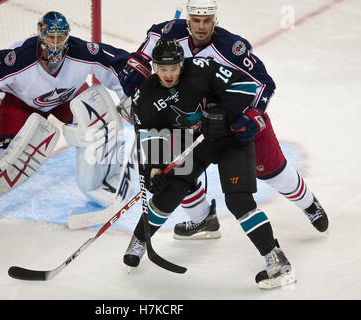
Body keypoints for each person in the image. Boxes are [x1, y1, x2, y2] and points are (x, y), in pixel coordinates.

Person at [118, 0, 328, 239]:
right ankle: (203, 219)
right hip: (192, 121)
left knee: (271, 170)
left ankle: (309, 204)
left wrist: (252, 116)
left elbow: (263, 84)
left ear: (214, 20)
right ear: (188, 20)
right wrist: (137, 67)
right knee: (173, 170)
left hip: (235, 120)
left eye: (206, 21)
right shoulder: (168, 34)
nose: (200, 26)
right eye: (196, 20)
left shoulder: (231, 48)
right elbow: (148, 49)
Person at [124, 38, 295, 289]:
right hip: (192, 143)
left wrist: (223, 112)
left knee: (239, 200)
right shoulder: (147, 96)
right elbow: (151, 134)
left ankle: (276, 259)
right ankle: (140, 240)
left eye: (173, 68)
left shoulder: (202, 68)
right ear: (154, 66)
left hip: (230, 139)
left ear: (182, 64)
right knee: (167, 190)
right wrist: (154, 169)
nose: (168, 74)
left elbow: (247, 85)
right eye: (162, 68)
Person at [0, 11, 129, 223]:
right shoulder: (19, 59)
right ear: (41, 36)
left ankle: (102, 181)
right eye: (51, 37)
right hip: (22, 101)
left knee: (100, 123)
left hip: (66, 96)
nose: (56, 42)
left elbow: (117, 62)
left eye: (61, 36)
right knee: (17, 155)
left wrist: (132, 94)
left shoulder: (80, 51)